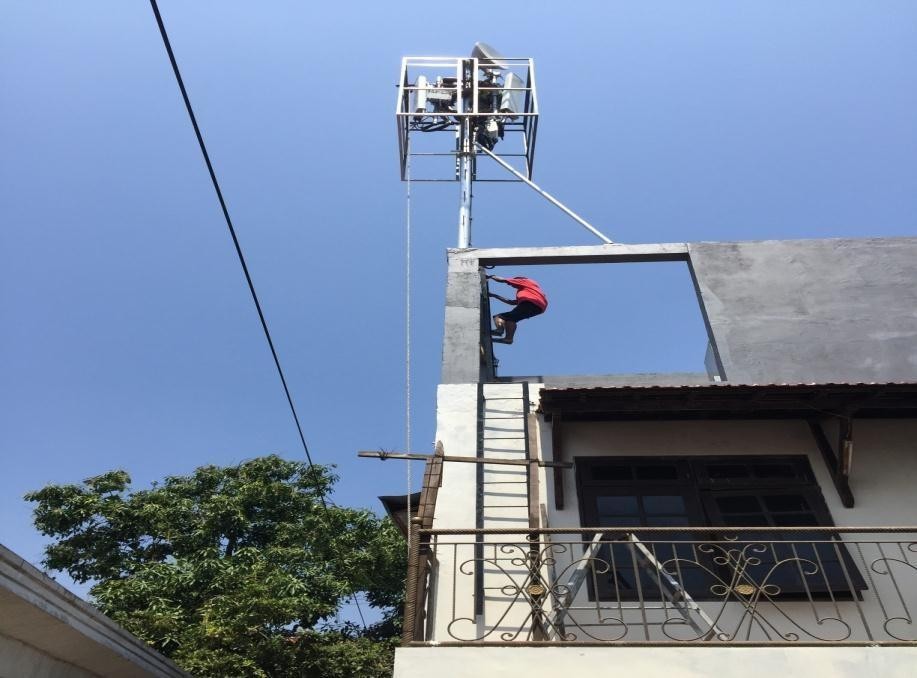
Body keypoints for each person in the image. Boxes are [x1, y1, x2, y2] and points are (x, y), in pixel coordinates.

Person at [486, 274, 548, 344]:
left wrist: (491, 276)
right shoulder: (530, 289)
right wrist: (494, 295)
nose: (513, 285)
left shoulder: (525, 281)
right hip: (538, 308)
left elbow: (503, 280)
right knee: (511, 319)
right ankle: (508, 339)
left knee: (499, 317)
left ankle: (499, 330)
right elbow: (511, 302)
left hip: (530, 302)